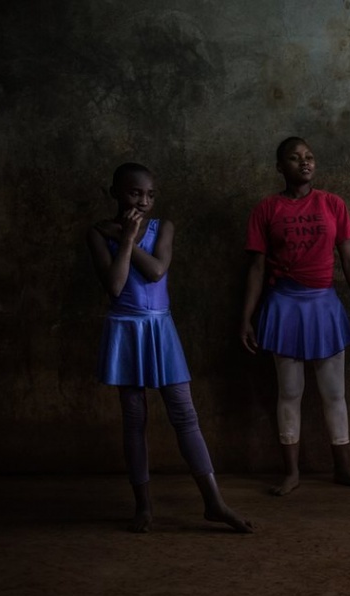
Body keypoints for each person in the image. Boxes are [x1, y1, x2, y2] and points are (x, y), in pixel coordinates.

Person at [87, 163, 253, 533]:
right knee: (135, 420)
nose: (143, 201)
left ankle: (214, 502)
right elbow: (114, 287)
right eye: (134, 193)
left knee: (184, 414)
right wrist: (126, 240)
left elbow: (158, 271)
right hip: (125, 329)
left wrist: (129, 237)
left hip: (160, 326)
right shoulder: (98, 233)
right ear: (114, 192)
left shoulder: (164, 228)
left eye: (150, 194)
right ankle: (143, 506)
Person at [242, 137, 350, 496]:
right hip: (284, 305)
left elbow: (349, 260)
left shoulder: (332, 204)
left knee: (334, 393)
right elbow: (256, 267)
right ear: (279, 167)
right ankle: (291, 472)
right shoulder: (266, 209)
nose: (304, 163)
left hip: (324, 306)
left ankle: (343, 469)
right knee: (290, 392)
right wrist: (246, 317)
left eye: (309, 157)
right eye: (295, 158)